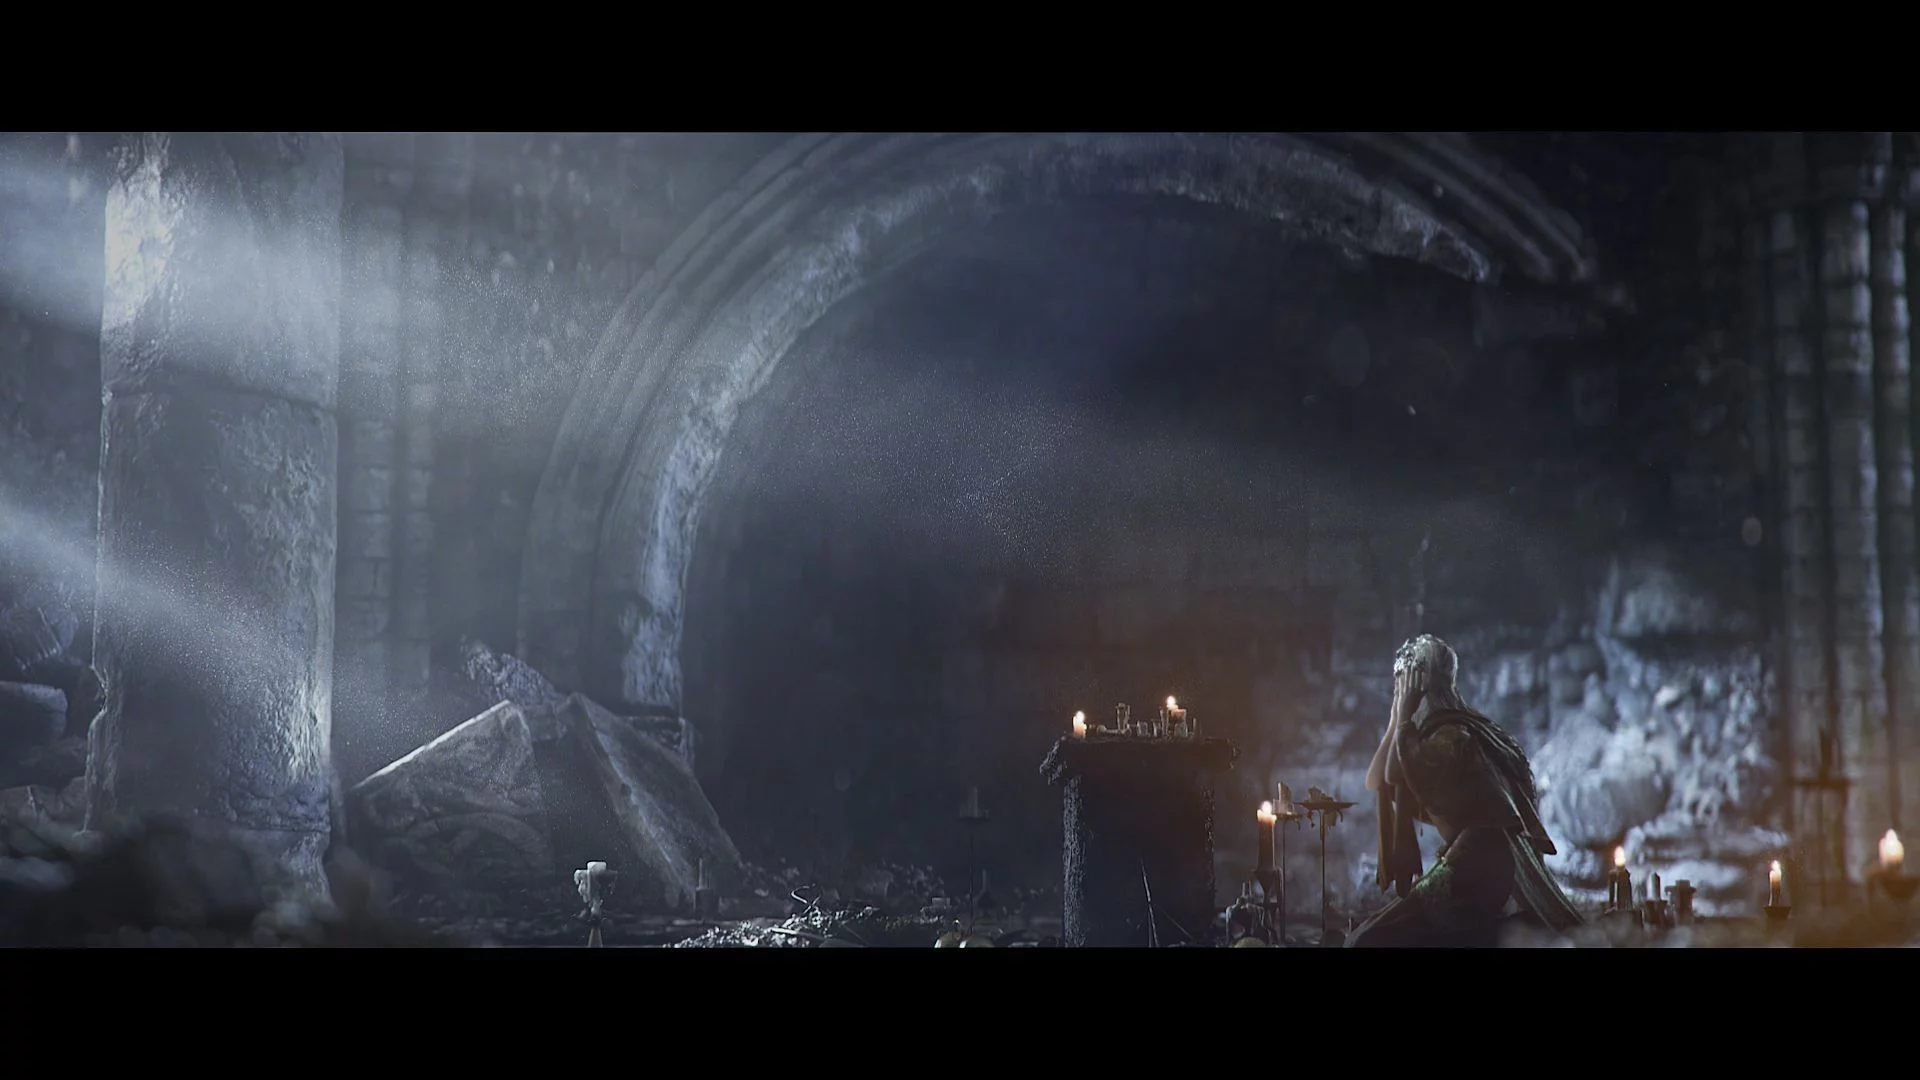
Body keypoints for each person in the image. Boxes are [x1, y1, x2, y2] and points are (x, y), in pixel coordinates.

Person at [1346, 634, 1584, 947]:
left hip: (1476, 866)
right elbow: (1377, 780)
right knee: (1369, 935)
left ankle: (1510, 932)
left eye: (1402, 685)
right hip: (1469, 862)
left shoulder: (1452, 736)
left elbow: (1393, 773)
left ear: (1420, 686)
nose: (1399, 692)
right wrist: (1395, 718)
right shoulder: (1432, 734)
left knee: (1370, 940)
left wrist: (1403, 717)